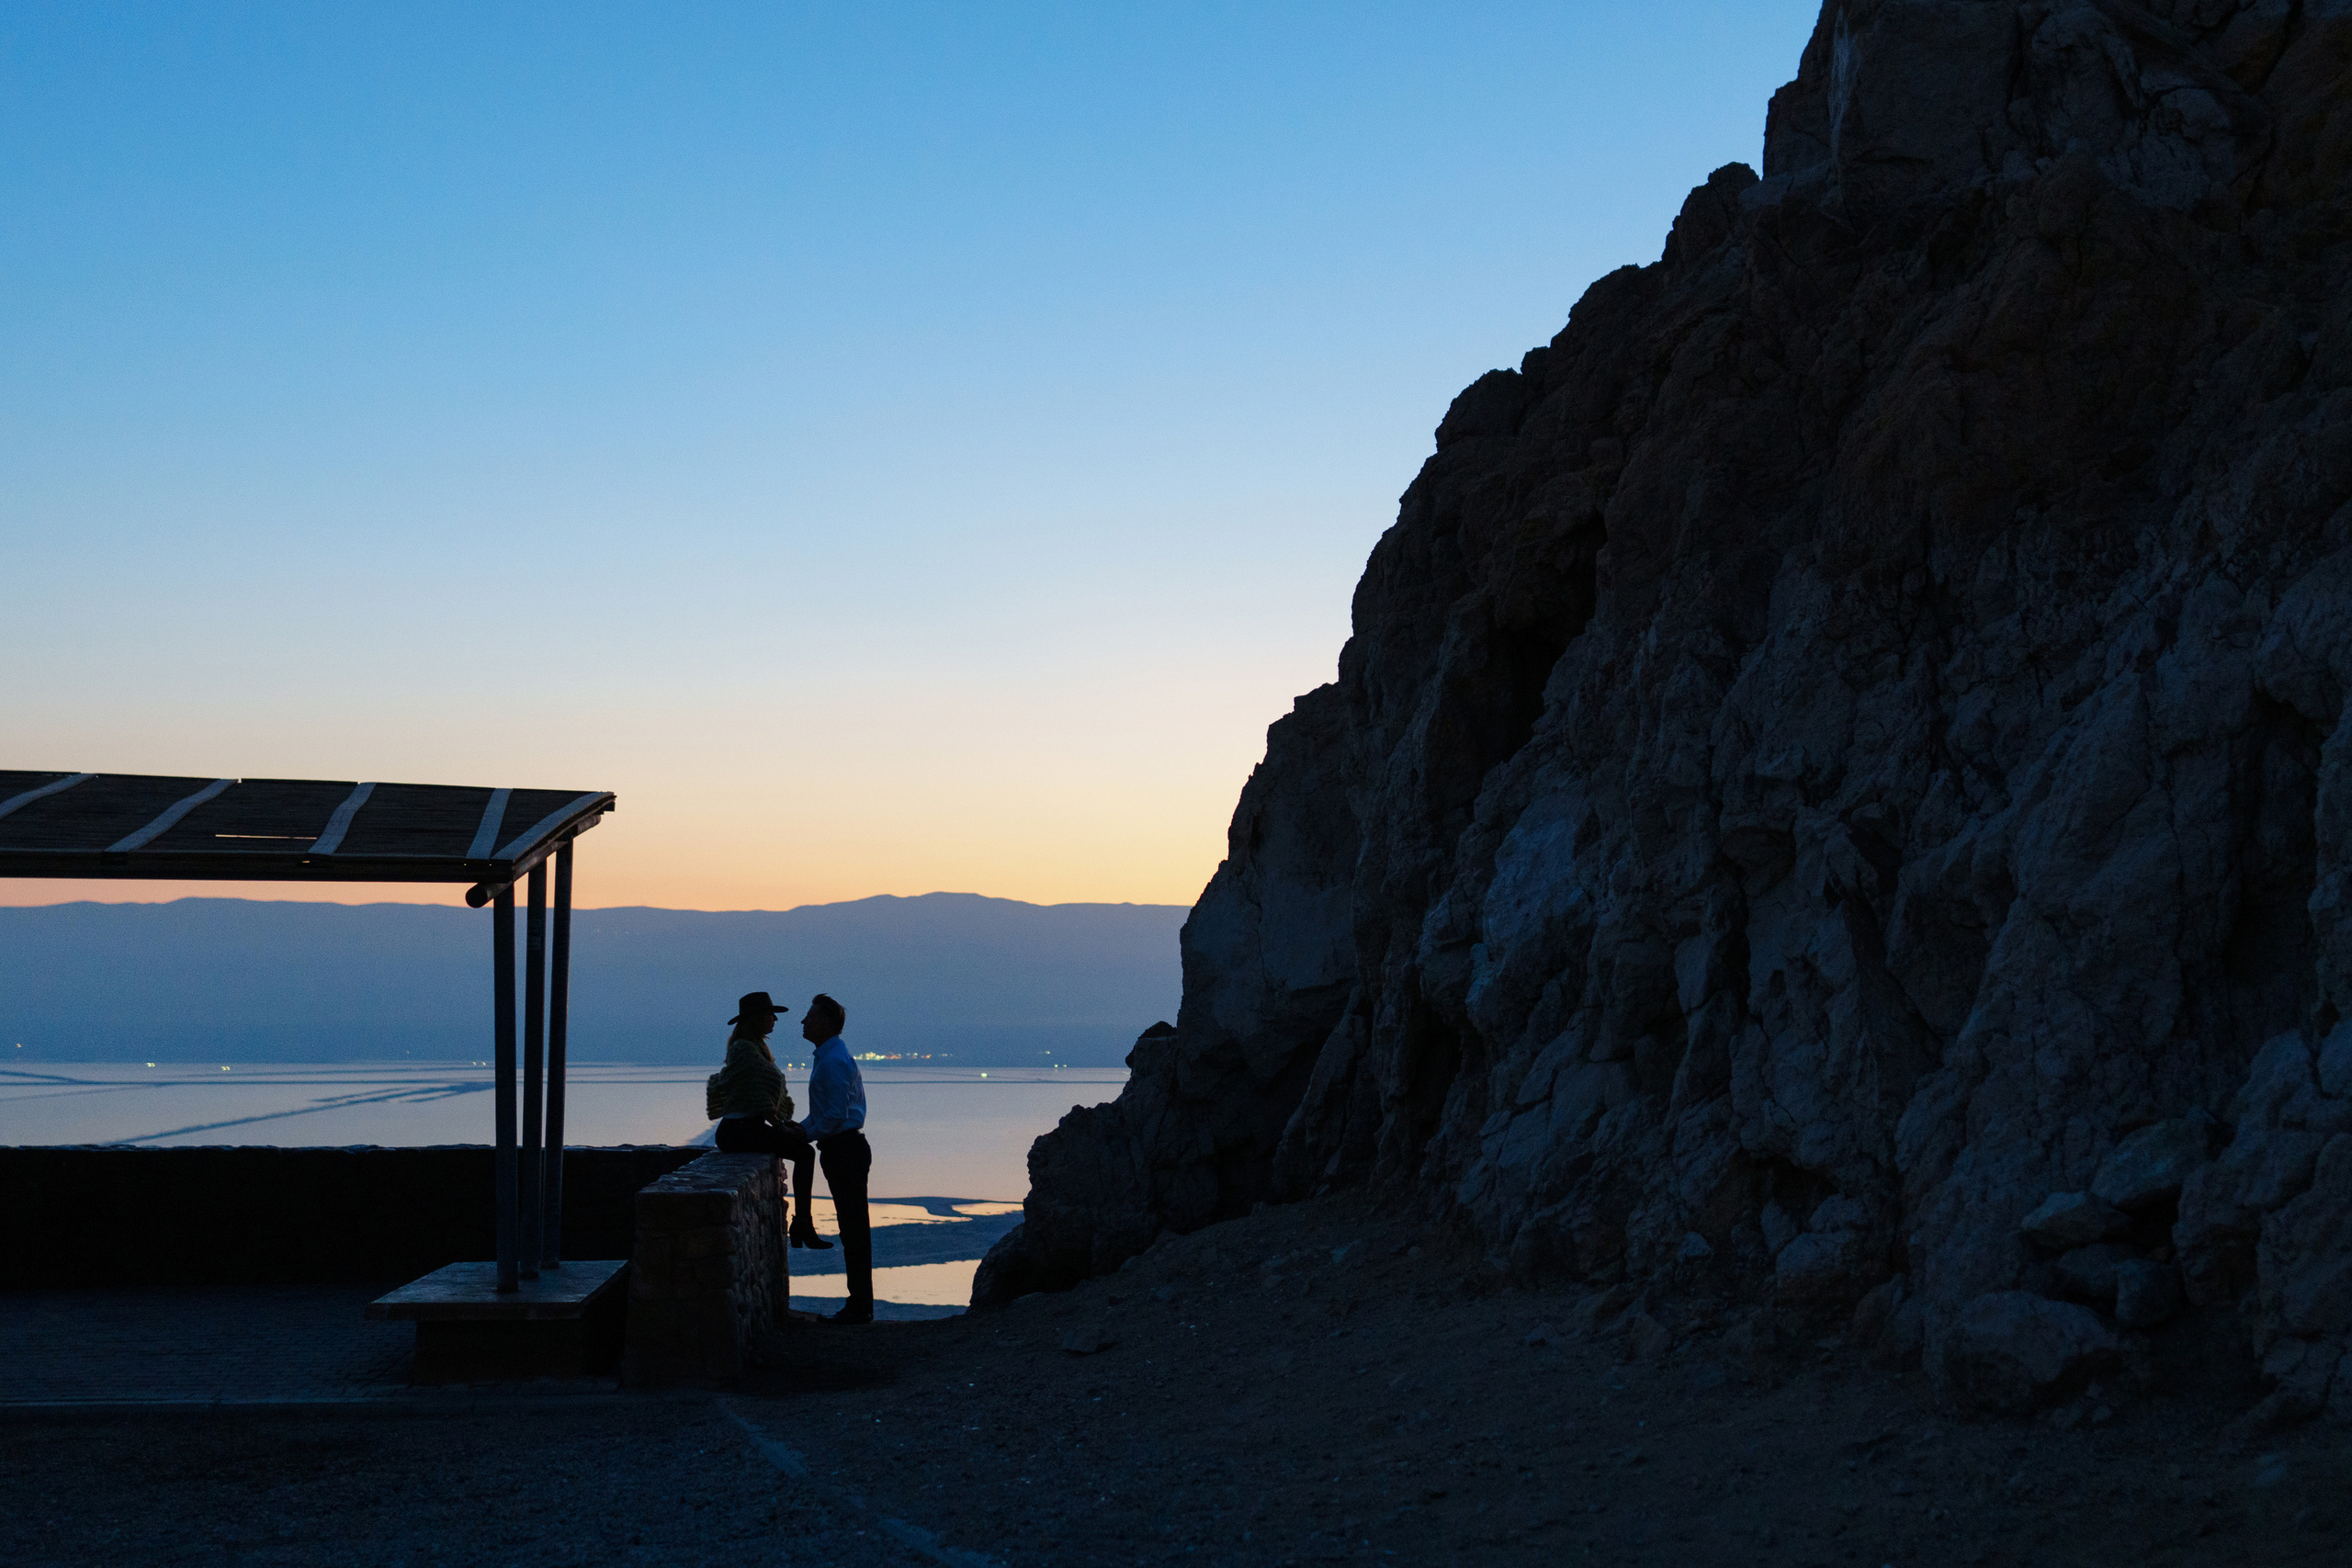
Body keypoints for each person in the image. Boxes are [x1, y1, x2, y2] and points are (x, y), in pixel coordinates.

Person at [706, 990, 831, 1249]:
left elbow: (764, 1098)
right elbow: (758, 1097)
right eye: (769, 1015)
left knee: (804, 1152)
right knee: (805, 1154)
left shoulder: (756, 1047)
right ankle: (803, 1224)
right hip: (738, 1131)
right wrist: (781, 1126)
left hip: (747, 1128)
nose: (774, 1019)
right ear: (756, 1018)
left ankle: (803, 1224)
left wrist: (785, 1124)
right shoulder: (744, 1049)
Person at [797, 992, 873, 1325]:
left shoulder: (833, 1061)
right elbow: (824, 1115)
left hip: (845, 1149)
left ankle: (859, 1307)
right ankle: (859, 1304)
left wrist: (803, 1135)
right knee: (852, 1228)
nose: (803, 1021)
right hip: (841, 1148)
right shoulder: (828, 1057)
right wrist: (799, 1128)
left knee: (853, 1229)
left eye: (810, 1016)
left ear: (825, 1023)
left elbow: (834, 1116)